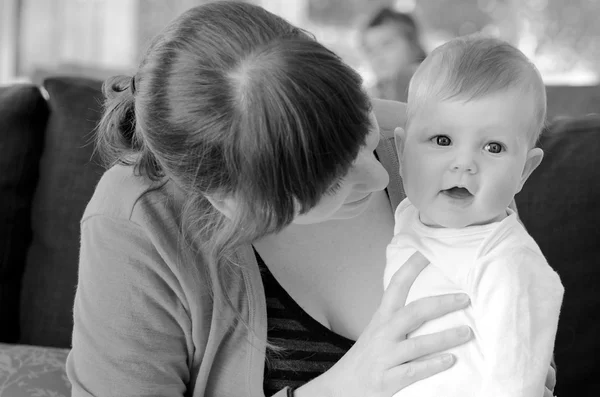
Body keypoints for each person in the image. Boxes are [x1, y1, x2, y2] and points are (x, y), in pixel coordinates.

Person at [66, 2, 557, 396]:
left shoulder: (436, 141)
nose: (378, 173)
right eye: (331, 184)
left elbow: (514, 322)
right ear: (232, 205)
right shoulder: (136, 223)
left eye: (365, 135)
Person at [384, 35, 565, 396]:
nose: (464, 163)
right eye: (442, 140)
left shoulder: (507, 262)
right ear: (402, 154)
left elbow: (516, 382)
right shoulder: (409, 215)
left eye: (493, 147)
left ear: (524, 173)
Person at [360, 7, 426, 101]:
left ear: (413, 45)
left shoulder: (438, 87)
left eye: (386, 44)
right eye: (370, 50)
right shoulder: (372, 96)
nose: (377, 56)